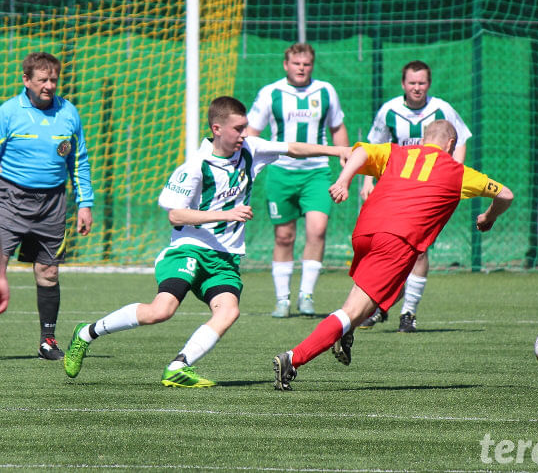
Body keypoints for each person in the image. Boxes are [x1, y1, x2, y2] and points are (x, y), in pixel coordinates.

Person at [63, 96, 348, 387]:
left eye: (246, 127)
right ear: (217, 129)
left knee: (229, 311)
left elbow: (294, 148)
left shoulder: (251, 148)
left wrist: (339, 150)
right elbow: (175, 214)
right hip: (189, 249)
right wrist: (226, 214)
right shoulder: (195, 167)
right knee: (161, 310)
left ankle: (178, 366)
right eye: (238, 128)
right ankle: (87, 333)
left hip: (225, 258)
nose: (245, 134)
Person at [272, 120, 513, 391]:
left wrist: (344, 180)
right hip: (396, 241)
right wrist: (488, 217)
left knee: (393, 292)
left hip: (365, 232)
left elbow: (359, 152)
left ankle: (345, 330)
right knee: (352, 310)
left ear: (423, 140)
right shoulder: (458, 172)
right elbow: (505, 194)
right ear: (450, 145)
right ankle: (293, 358)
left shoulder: (397, 152)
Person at [359, 60, 472, 333]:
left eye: (422, 83)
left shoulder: (441, 109)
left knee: (418, 249)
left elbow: (461, 140)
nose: (417, 87)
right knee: (383, 249)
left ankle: (408, 312)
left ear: (428, 84)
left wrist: (453, 175)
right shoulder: (389, 110)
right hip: (392, 190)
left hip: (427, 190)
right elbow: (373, 148)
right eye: (412, 83)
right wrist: (366, 182)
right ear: (403, 84)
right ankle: (378, 305)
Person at [0, 52, 93, 360]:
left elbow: (78, 161)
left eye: (54, 79)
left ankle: (47, 341)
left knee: (48, 272)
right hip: (9, 198)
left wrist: (85, 204)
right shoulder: (8, 113)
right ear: (26, 80)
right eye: (42, 80)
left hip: (53, 202)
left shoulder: (69, 112)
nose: (50, 85)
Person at [246, 42, 349, 319]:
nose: (301, 68)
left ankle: (306, 295)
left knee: (317, 230)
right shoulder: (271, 93)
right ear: (286, 65)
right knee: (284, 236)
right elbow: (252, 133)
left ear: (312, 66)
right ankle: (282, 299)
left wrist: (345, 161)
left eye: (306, 64)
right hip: (281, 173)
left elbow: (337, 127)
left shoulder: (326, 91)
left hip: (316, 173)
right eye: (296, 63)